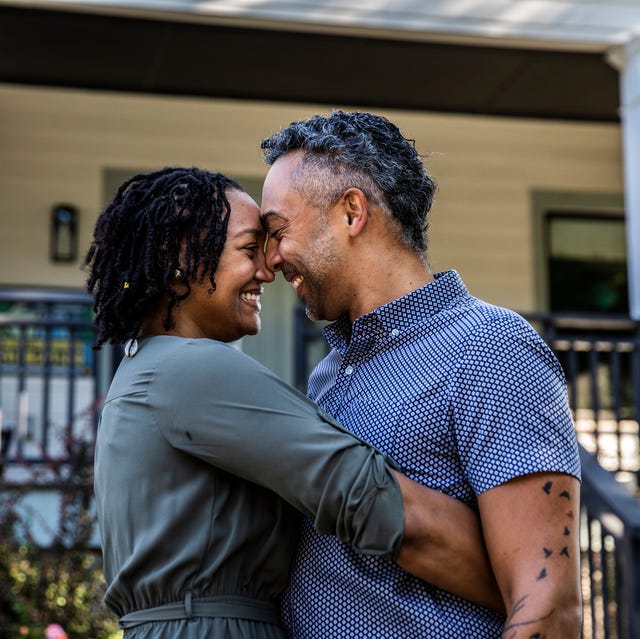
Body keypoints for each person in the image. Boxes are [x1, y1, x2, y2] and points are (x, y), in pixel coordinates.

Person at [84, 167, 503, 639]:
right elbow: (376, 504)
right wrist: (526, 588)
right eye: (249, 249)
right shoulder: (193, 370)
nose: (268, 271)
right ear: (178, 257)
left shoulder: (144, 371)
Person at [260, 111, 583, 639]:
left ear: (351, 212)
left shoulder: (492, 348)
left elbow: (547, 606)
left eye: (279, 231)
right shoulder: (326, 377)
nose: (271, 259)